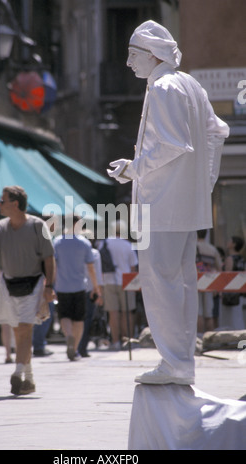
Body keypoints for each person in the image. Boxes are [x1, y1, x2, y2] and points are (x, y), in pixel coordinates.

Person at [107, 20, 229, 385]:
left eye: (132, 55)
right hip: (184, 205)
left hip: (160, 204)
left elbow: (173, 145)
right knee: (183, 283)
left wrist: (134, 169)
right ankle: (181, 361)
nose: (128, 63)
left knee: (160, 282)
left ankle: (174, 363)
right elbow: (217, 132)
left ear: (151, 55)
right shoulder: (190, 84)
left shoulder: (162, 88)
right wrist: (202, 184)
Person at [0, 186, 55, 395]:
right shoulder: (0, 227)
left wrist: (50, 287)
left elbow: (49, 258)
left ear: (14, 204)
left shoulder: (38, 226)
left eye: (2, 201)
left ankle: (17, 373)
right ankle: (30, 379)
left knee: (25, 328)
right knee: (19, 330)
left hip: (33, 283)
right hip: (9, 283)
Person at [53, 215, 101, 361]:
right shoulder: (84, 243)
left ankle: (69, 336)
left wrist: (51, 285)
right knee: (79, 319)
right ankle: (75, 349)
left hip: (62, 286)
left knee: (65, 316)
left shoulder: (57, 242)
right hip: (80, 286)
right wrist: (96, 287)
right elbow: (91, 268)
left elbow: (53, 266)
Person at [99, 221, 138, 350]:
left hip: (108, 281)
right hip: (126, 281)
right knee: (127, 312)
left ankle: (115, 341)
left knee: (113, 313)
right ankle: (127, 340)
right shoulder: (128, 245)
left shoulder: (103, 244)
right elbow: (133, 268)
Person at [77, 230, 104, 357]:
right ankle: (82, 347)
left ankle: (75, 345)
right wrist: (98, 291)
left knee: (76, 318)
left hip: (76, 288)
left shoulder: (76, 253)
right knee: (87, 319)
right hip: (90, 290)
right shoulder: (95, 254)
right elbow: (97, 273)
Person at [196, 229, 223, 333]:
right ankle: (209, 337)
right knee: (209, 313)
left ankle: (199, 336)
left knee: (198, 312)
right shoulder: (212, 249)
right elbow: (219, 267)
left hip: (196, 281)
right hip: (209, 282)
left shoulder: (192, 247)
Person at [220, 236, 245, 330]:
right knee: (238, 317)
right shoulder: (241, 259)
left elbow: (227, 276)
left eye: (229, 241)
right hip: (239, 292)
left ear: (233, 244)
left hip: (230, 292)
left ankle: (230, 336)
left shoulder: (230, 259)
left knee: (228, 317)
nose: (227, 242)